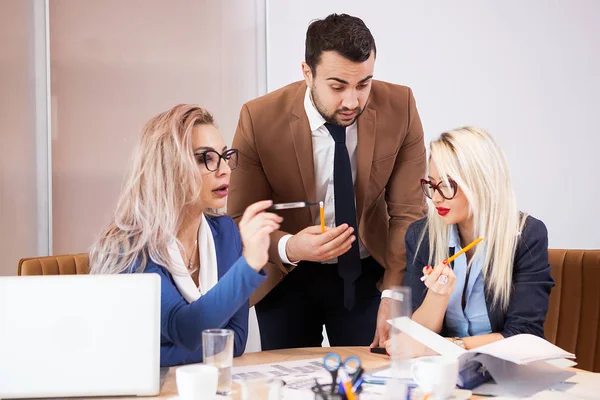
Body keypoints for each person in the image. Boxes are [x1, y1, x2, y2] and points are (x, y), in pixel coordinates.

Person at [228, 13, 427, 350]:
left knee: (372, 381)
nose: (352, 101)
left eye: (364, 84)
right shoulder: (258, 118)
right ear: (307, 73)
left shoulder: (401, 107)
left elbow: (409, 213)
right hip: (287, 275)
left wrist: (395, 291)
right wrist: (290, 246)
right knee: (288, 383)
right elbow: (240, 218)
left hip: (369, 274)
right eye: (337, 86)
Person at [89, 104, 282, 366]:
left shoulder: (225, 233)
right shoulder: (129, 247)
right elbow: (186, 329)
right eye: (206, 158)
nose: (225, 169)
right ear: (169, 166)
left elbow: (235, 341)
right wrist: (249, 264)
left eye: (225, 156)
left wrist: (158, 355)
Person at [399, 126, 554, 353]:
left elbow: (524, 334)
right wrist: (437, 295)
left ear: (481, 183)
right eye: (432, 185)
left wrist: (449, 346)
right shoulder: (421, 236)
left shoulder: (526, 235)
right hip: (442, 373)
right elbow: (415, 336)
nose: (435, 198)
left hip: (505, 370)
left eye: (448, 185)